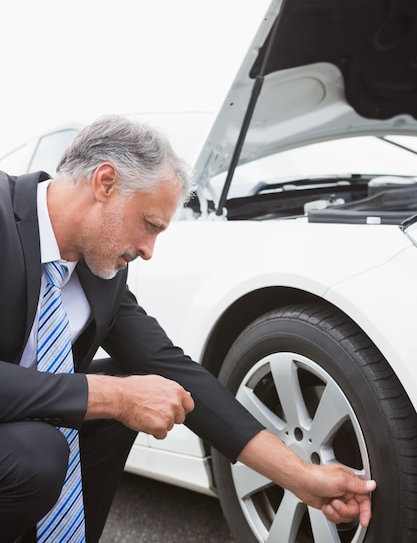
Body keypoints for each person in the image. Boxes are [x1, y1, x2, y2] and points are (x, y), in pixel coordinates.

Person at [0, 114, 376, 542]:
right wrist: (110, 396)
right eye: (150, 224)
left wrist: (300, 475)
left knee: (138, 384)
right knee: (43, 451)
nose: (148, 250)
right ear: (105, 183)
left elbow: (175, 370)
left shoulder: (100, 270)